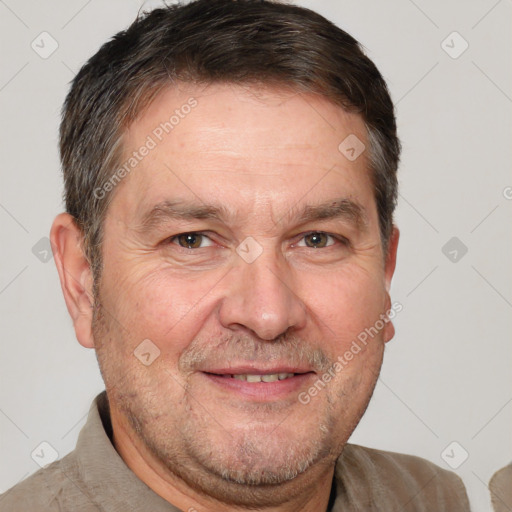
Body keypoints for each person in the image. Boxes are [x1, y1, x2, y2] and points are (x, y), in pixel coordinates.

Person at [0, 1, 471, 510]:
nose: (268, 314)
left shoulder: (433, 498)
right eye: (192, 240)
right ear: (82, 281)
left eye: (317, 239)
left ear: (384, 272)